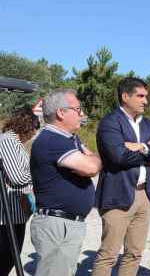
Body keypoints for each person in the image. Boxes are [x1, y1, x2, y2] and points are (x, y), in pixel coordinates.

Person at [92, 77, 150, 276]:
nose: (145, 101)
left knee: (134, 253)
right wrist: (149, 147)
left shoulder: (147, 124)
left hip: (143, 196)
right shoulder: (110, 123)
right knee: (109, 254)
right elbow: (118, 157)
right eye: (140, 96)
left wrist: (139, 146)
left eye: (146, 96)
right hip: (117, 195)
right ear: (125, 96)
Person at [30, 89, 101, 276]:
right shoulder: (52, 140)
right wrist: (93, 157)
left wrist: (89, 157)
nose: (81, 114)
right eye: (77, 109)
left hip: (64, 224)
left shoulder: (66, 140)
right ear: (61, 113)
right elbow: (91, 168)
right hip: (58, 225)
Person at [0, 107, 39, 276]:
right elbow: (16, 177)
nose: (33, 135)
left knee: (10, 259)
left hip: (17, 213)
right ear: (26, 126)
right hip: (7, 214)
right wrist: (39, 172)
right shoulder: (8, 141)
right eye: (33, 130)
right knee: (6, 258)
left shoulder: (16, 143)